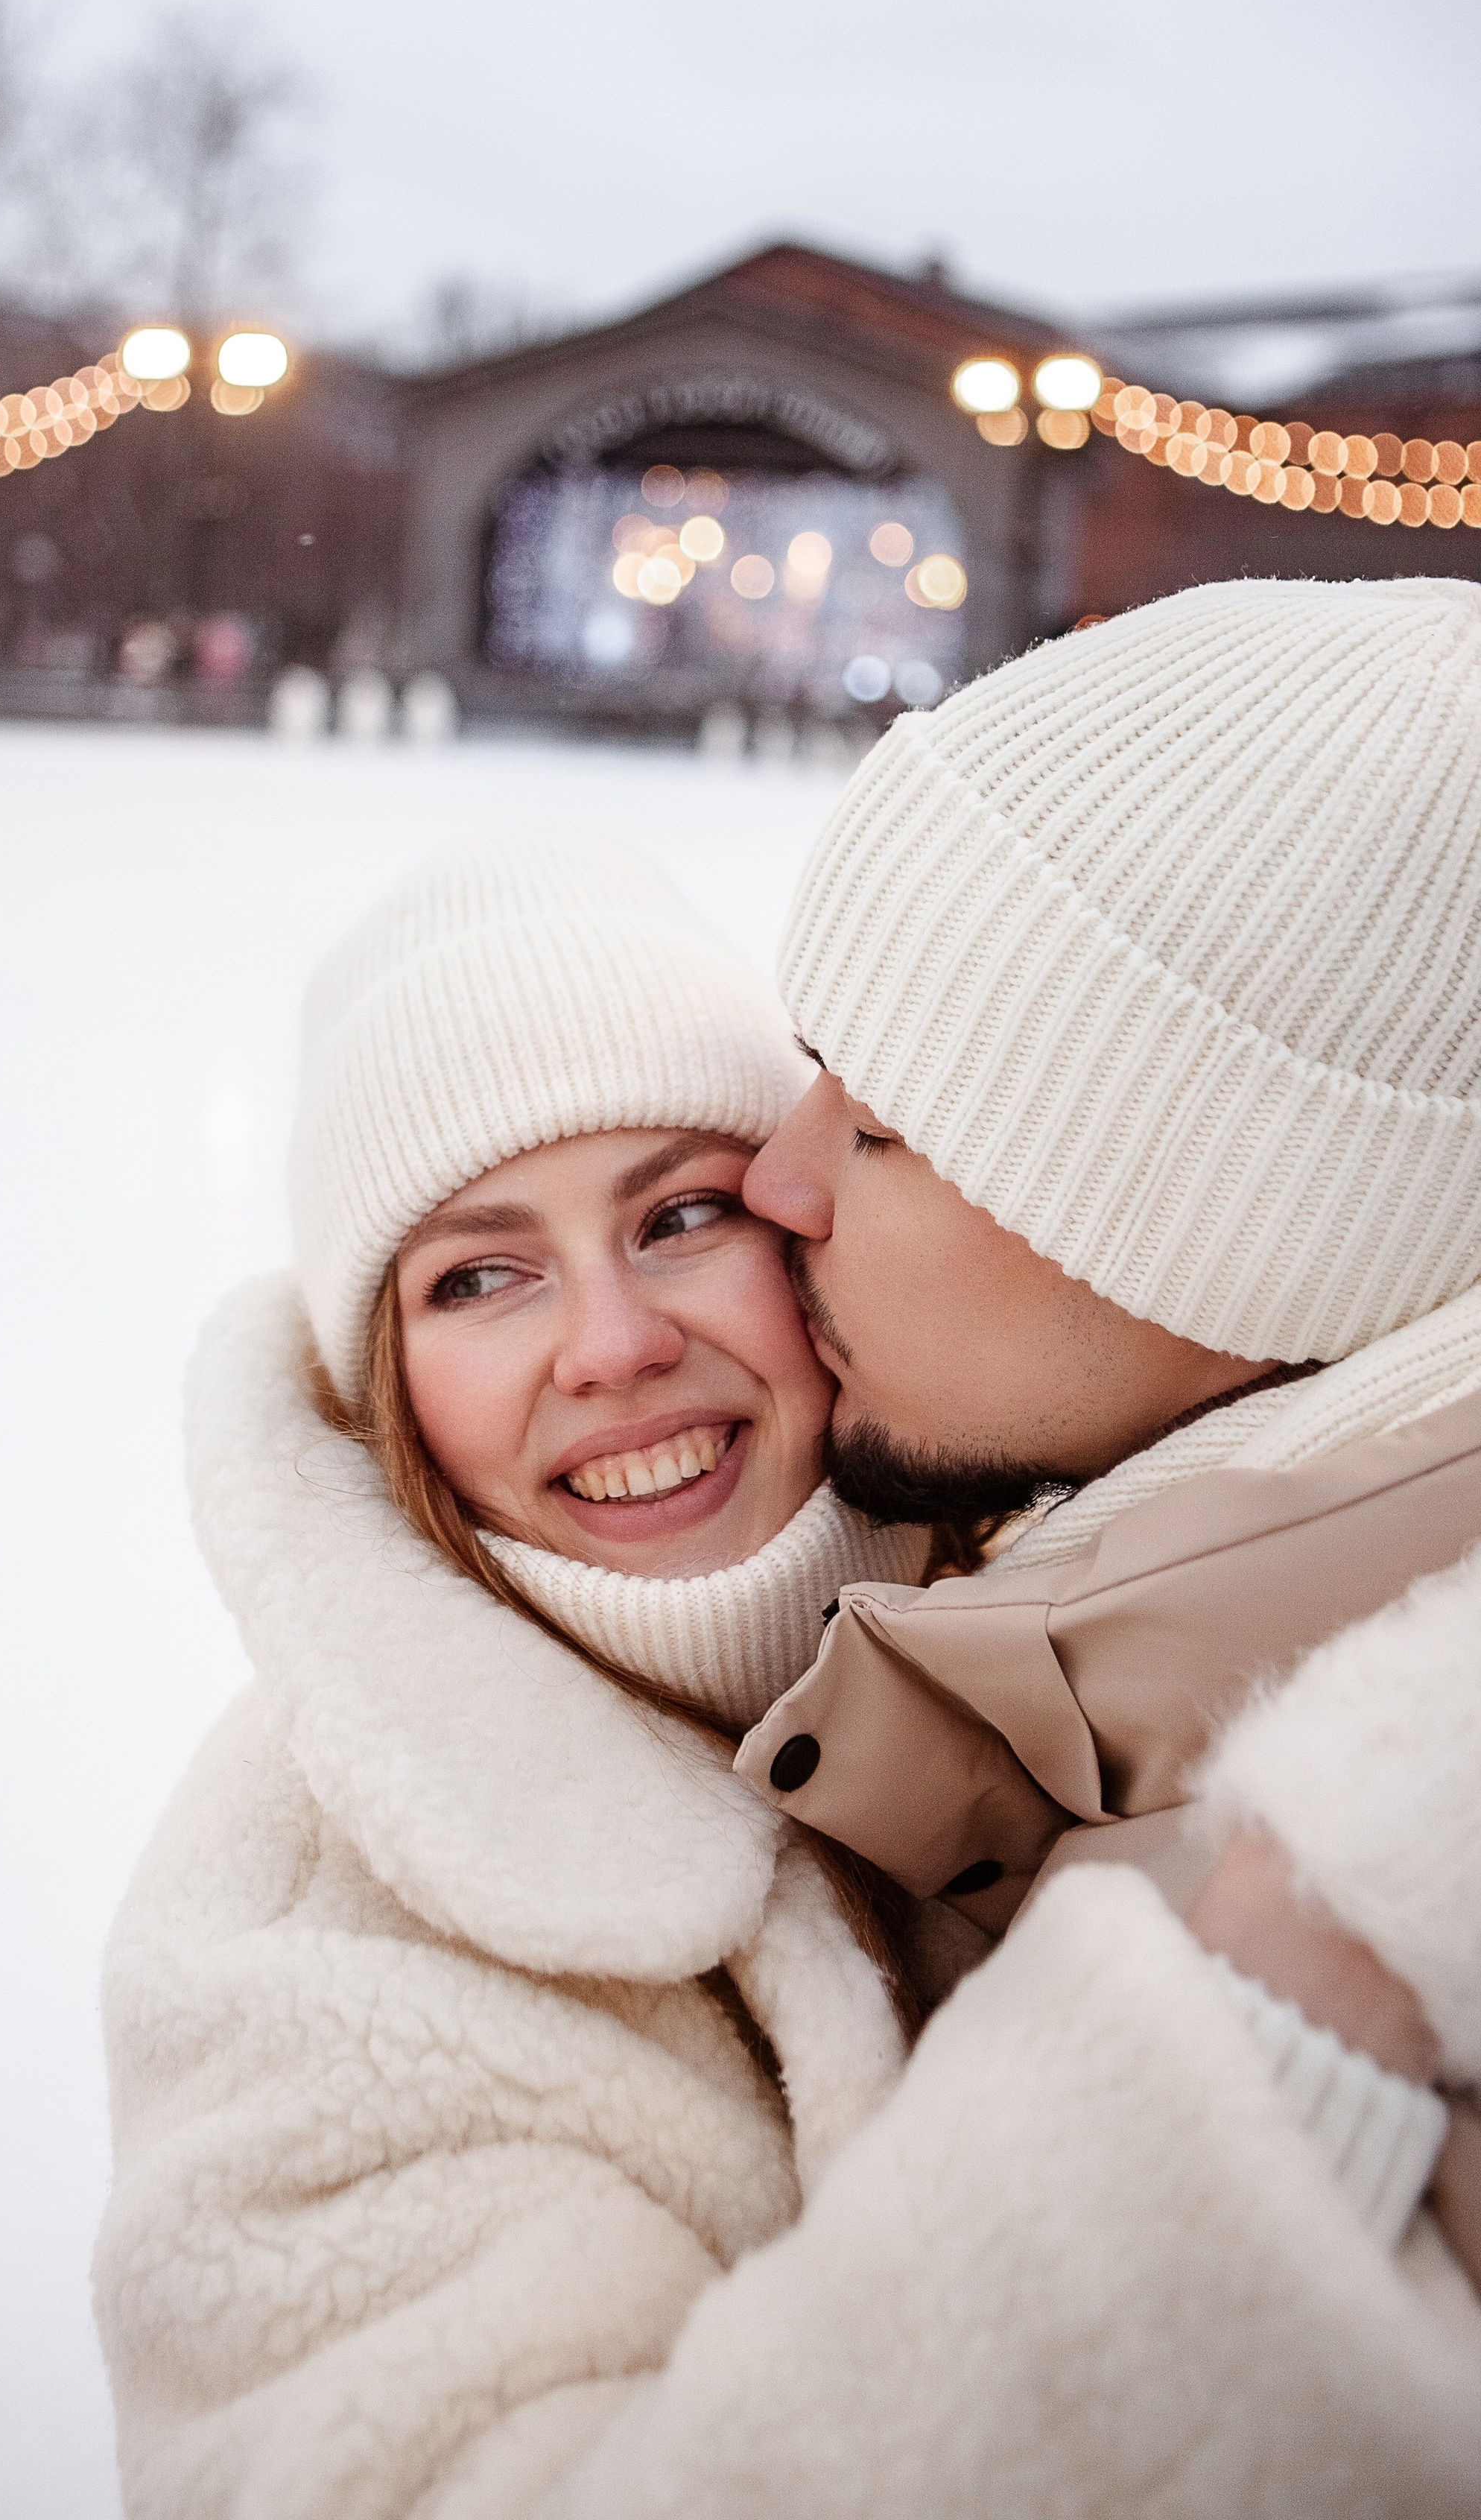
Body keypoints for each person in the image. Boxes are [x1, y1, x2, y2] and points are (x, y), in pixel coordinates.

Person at [97, 594, 1481, 2519]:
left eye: (679, 1210)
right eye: (481, 1275)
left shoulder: (1099, 1593)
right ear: (383, 1377)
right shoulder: (314, 1924)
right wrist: (1244, 2046)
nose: (612, 1342)